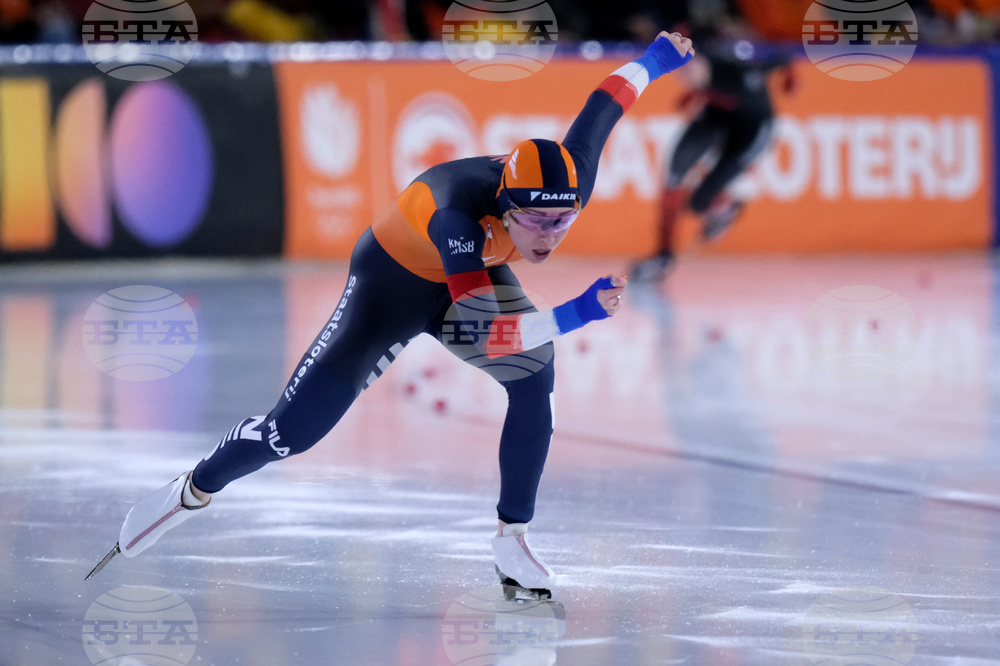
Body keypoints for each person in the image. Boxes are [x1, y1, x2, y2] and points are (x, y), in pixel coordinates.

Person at [86, 31, 696, 599]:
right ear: (505, 207)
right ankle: (192, 489)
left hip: (468, 276)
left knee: (535, 376)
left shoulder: (570, 180)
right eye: (535, 221)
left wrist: (658, 58)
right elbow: (499, 331)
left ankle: (512, 541)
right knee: (288, 435)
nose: (549, 237)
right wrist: (577, 311)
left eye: (561, 221)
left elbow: (608, 100)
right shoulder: (455, 212)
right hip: (390, 286)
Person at [631, 19, 795, 282]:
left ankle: (725, 206)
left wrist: (790, 78)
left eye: (686, 70)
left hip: (751, 129)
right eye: (677, 70)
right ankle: (664, 255)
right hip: (717, 114)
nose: (681, 76)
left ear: (702, 61)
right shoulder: (704, 72)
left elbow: (778, 58)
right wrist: (698, 95)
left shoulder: (735, 72)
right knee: (673, 179)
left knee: (698, 203)